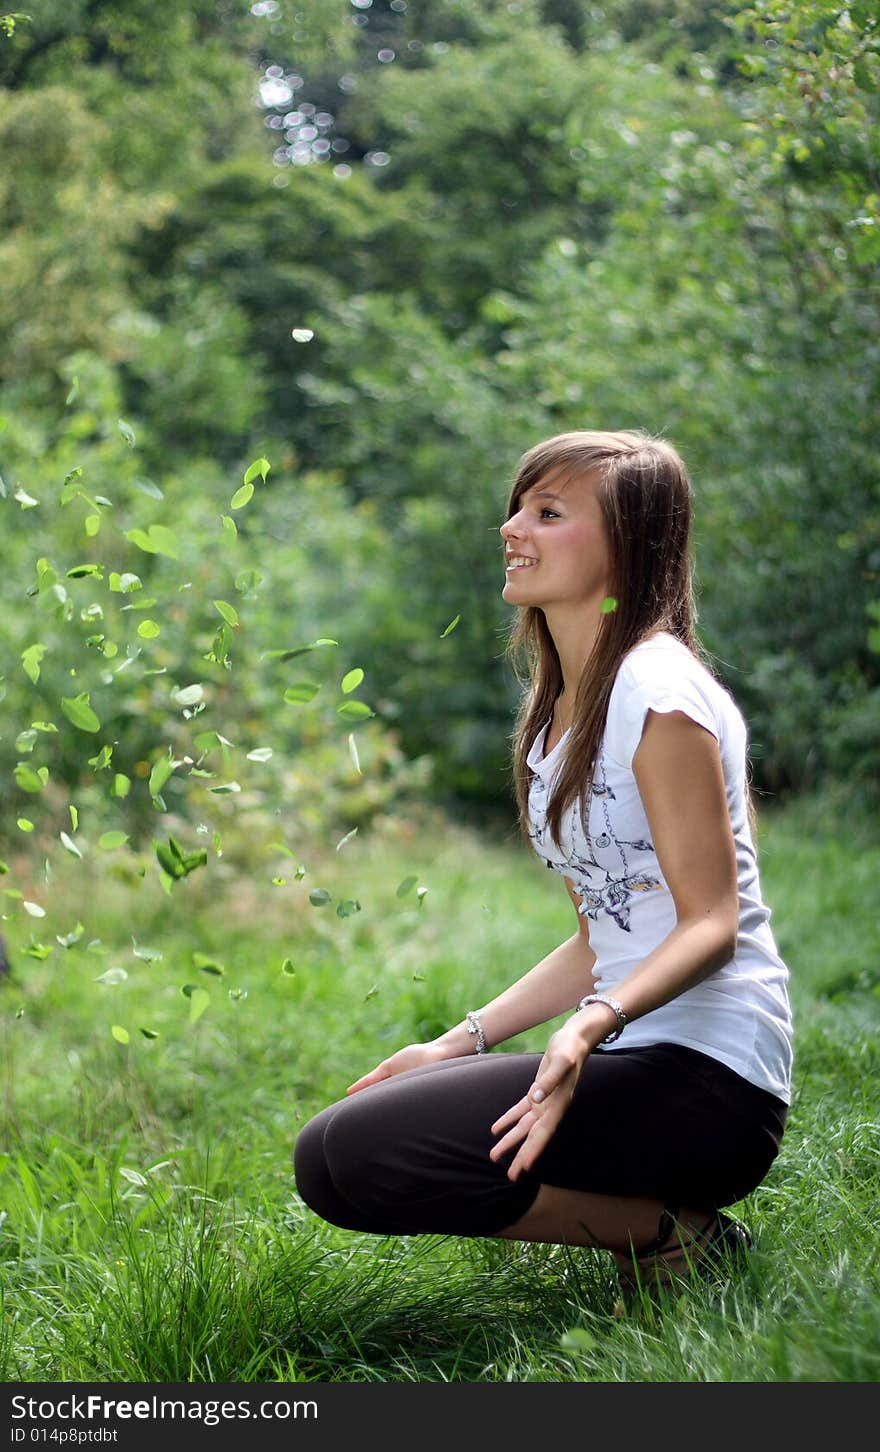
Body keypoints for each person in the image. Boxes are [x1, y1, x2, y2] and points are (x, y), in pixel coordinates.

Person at [293, 429, 793, 1300]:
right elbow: (603, 932)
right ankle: (666, 1231)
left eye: (549, 513)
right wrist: (457, 1043)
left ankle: (680, 1237)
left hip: (710, 1081)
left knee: (367, 1153)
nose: (512, 528)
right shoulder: (562, 711)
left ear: (626, 548)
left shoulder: (658, 691)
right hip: (629, 1053)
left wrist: (587, 1027)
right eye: (519, 506)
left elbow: (710, 921)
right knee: (330, 1162)